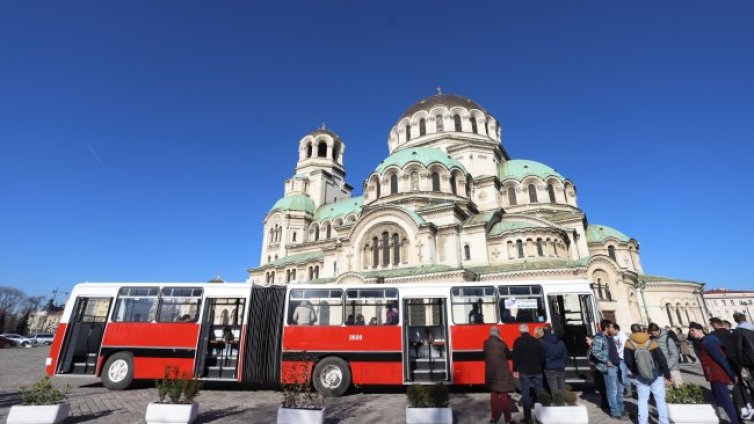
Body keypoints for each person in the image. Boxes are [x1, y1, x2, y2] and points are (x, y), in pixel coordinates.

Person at [689, 321, 740, 424]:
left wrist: (732, 374)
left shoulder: (708, 342)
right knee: (721, 399)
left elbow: (721, 358)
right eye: (690, 331)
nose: (691, 333)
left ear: (700, 330)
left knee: (725, 400)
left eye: (693, 330)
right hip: (713, 375)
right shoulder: (705, 341)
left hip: (717, 374)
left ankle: (735, 421)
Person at [624, 323, 671, 424]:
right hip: (656, 374)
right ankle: (664, 422)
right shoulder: (651, 341)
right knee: (660, 400)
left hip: (640, 375)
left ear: (632, 331)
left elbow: (628, 361)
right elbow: (661, 359)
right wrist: (667, 375)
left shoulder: (628, 343)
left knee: (642, 400)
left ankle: (643, 422)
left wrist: (636, 372)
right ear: (641, 330)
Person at [590, 319, 627, 420]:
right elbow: (596, 351)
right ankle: (615, 412)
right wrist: (607, 361)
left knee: (619, 390)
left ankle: (621, 409)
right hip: (608, 368)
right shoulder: (599, 337)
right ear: (606, 328)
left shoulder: (610, 337)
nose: (613, 329)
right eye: (611, 327)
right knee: (612, 391)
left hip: (617, 365)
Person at [513, 323, 545, 424]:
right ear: (528, 330)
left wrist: (515, 370)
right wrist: (540, 367)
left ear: (520, 331)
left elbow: (515, 357)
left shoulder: (518, 341)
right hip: (537, 371)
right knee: (539, 393)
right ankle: (541, 416)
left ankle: (527, 418)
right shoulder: (536, 341)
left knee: (525, 394)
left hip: (524, 371)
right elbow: (543, 357)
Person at [484, 326, 515, 424]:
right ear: (498, 333)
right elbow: (509, 355)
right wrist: (502, 340)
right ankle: (508, 420)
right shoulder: (502, 344)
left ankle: (493, 418)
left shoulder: (486, 343)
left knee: (493, 395)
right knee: (504, 395)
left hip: (491, 373)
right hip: (502, 373)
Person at [649, 323, 682, 387]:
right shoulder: (651, 340)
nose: (654, 334)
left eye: (655, 332)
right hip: (660, 370)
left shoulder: (667, 338)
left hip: (673, 369)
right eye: (652, 333)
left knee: (679, 388)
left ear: (658, 330)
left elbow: (674, 355)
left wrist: (666, 367)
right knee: (667, 391)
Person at [541, 325, 568, 395]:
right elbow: (565, 355)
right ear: (551, 330)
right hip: (560, 367)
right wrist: (564, 364)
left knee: (554, 389)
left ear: (543, 332)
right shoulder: (561, 342)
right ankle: (564, 403)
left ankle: (558, 403)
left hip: (549, 368)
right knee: (562, 387)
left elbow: (542, 356)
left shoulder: (543, 342)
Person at [613, 324, 632, 397]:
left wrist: (616, 353)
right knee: (620, 375)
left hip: (622, 358)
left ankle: (629, 391)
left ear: (616, 329)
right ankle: (625, 390)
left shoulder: (622, 336)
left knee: (623, 376)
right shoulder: (615, 336)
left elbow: (623, 347)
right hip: (619, 358)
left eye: (613, 329)